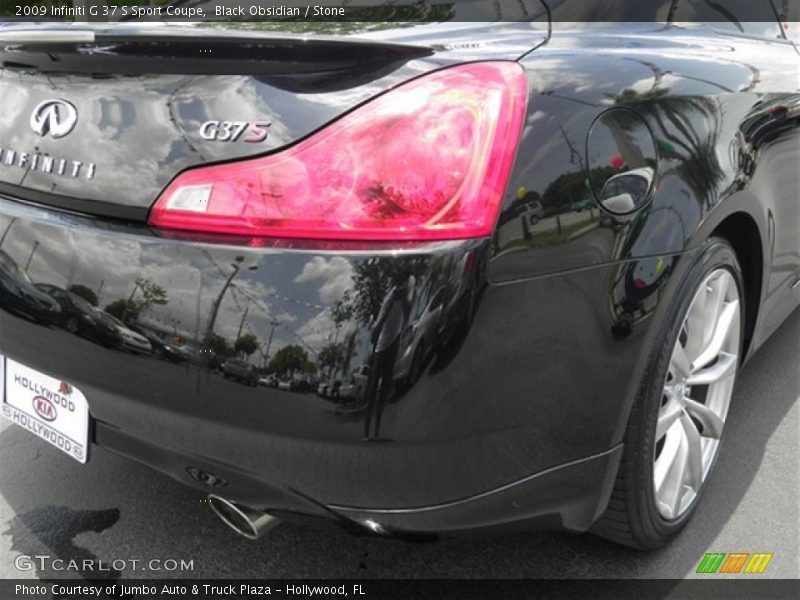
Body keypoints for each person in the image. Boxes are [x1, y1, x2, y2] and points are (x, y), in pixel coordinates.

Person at [363, 274, 414, 440]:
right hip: (381, 347)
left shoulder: (408, 289)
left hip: (393, 344)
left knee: (383, 390)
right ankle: (366, 435)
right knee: (372, 391)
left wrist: (405, 295)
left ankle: (376, 433)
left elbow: (407, 312)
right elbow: (380, 321)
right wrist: (376, 330)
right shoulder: (389, 297)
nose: (401, 288)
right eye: (398, 285)